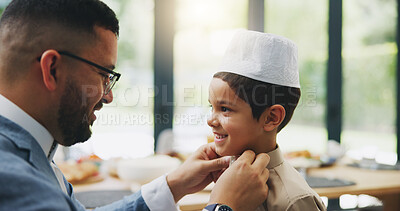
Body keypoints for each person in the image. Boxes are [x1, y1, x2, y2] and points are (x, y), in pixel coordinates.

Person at [0, 1, 271, 211]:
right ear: (53, 69)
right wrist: (223, 206)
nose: (108, 96)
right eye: (104, 75)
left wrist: (173, 185)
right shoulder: (12, 178)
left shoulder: (30, 150)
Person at [207, 30, 327, 211]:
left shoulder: (293, 201)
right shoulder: (225, 180)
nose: (210, 120)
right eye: (211, 107)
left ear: (272, 118)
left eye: (225, 109)